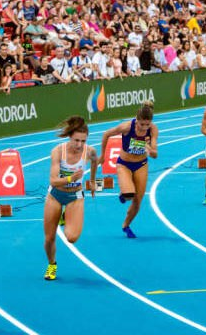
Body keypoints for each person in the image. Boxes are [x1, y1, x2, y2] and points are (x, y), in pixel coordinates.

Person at [43, 116, 99, 280]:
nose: (79, 145)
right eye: (76, 140)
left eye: (83, 141)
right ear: (70, 137)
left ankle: (65, 215)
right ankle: (52, 264)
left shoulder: (90, 151)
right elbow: (53, 180)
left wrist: (93, 181)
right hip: (55, 195)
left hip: (75, 196)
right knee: (49, 238)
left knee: (72, 238)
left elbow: (95, 161)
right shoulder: (58, 152)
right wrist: (70, 178)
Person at [99, 101, 158, 239]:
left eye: (147, 124)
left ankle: (126, 226)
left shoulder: (153, 130)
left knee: (138, 201)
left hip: (141, 164)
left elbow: (155, 154)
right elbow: (106, 134)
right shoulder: (126, 127)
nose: (144, 127)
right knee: (129, 195)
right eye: (141, 124)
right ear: (136, 120)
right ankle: (124, 193)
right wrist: (103, 155)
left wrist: (149, 149)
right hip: (124, 164)